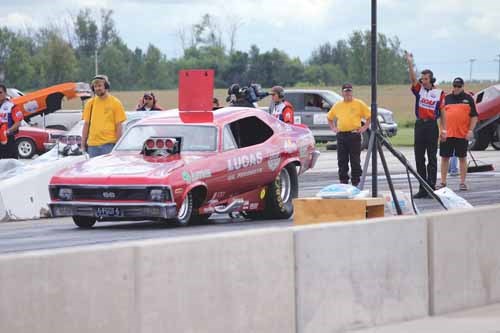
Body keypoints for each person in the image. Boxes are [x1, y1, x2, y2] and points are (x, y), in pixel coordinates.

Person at [405, 52, 446, 198]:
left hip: (432, 126)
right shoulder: (419, 90)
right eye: (422, 79)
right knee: (419, 157)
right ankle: (422, 187)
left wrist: (444, 129)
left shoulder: (439, 93)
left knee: (432, 157)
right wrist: (410, 62)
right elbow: (412, 78)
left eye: (426, 79)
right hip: (420, 126)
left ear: (431, 79)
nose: (423, 81)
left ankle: (431, 187)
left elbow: (442, 112)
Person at [327, 83, 371, 187]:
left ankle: (356, 181)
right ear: (342, 93)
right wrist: (333, 128)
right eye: (346, 92)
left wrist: (364, 128)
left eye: (349, 92)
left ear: (352, 92)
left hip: (354, 134)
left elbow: (369, 116)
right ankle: (343, 182)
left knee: (355, 159)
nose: (348, 94)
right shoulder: (338, 105)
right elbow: (329, 117)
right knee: (342, 160)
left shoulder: (358, 104)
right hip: (341, 135)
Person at [439, 77, 478, 191]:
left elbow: (474, 116)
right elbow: (440, 117)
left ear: (462, 86)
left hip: (462, 134)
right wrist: (441, 131)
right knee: (445, 157)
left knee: (462, 157)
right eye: (455, 86)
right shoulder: (446, 98)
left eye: (459, 86)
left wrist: (470, 130)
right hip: (448, 133)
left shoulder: (468, 98)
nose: (456, 88)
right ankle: (443, 182)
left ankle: (462, 182)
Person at [82, 75, 126, 158]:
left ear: (106, 86)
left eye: (100, 86)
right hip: (92, 146)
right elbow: (86, 125)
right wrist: (83, 145)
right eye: (95, 86)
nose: (97, 88)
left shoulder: (115, 103)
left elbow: (119, 126)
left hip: (109, 145)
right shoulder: (90, 104)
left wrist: (118, 146)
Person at [0, 84, 23, 159]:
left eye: (0, 92)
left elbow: (18, 123)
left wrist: (8, 131)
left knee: (10, 164)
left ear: (5, 93)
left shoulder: (12, 106)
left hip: (8, 140)